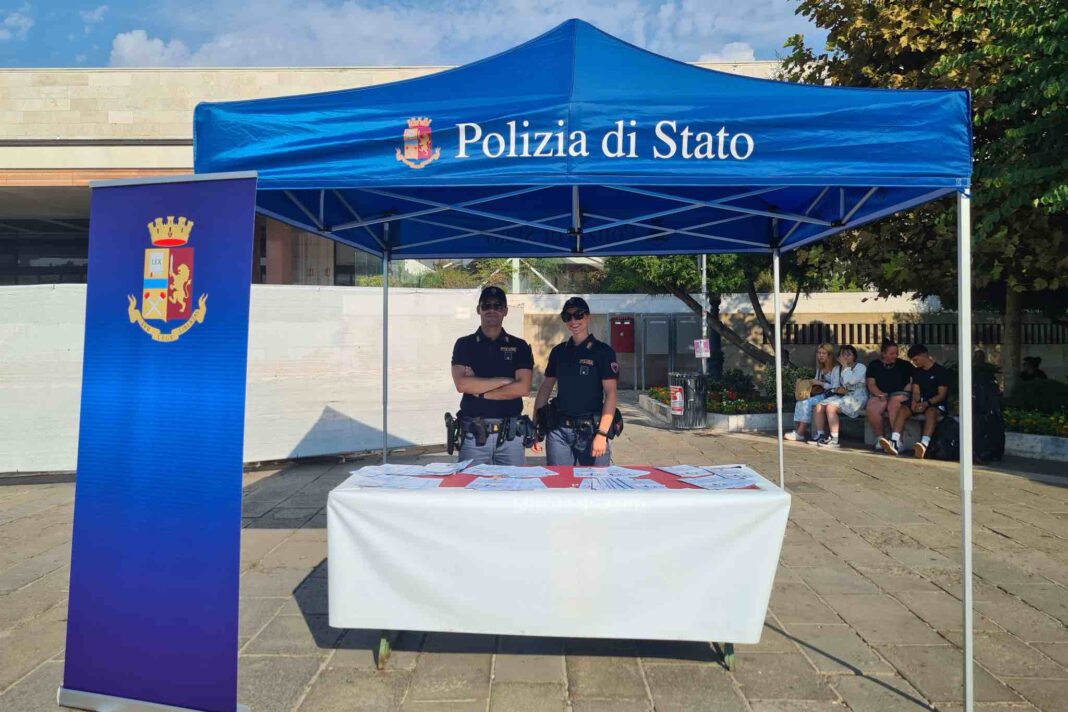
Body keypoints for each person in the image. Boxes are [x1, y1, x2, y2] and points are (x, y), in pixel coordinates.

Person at [450, 286, 534, 465]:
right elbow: (462, 385)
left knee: (514, 489)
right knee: (472, 489)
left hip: (511, 437)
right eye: (486, 305)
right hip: (474, 436)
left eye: (497, 305)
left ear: (505, 311)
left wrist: (481, 391)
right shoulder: (464, 344)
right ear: (478, 309)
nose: (492, 310)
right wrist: (504, 381)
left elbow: (523, 388)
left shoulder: (519, 346)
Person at [532, 297, 619, 466]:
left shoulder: (603, 352)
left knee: (596, 485)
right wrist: (535, 426)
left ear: (588, 317)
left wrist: (602, 434)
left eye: (578, 315)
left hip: (592, 431)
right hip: (559, 432)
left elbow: (611, 393)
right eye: (568, 317)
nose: (573, 321)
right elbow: (545, 388)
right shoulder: (559, 352)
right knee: (559, 485)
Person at [880, 344, 950, 459]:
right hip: (920, 402)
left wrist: (927, 403)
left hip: (935, 403)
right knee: (903, 409)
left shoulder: (940, 371)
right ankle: (894, 442)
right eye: (912, 360)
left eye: (916, 360)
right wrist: (914, 402)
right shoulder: (917, 371)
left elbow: (941, 394)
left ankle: (923, 445)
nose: (914, 363)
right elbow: (916, 390)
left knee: (931, 413)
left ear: (924, 355)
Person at [810, 345, 867, 448]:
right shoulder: (837, 368)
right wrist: (838, 389)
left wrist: (845, 367)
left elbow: (851, 381)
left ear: (854, 356)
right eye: (842, 355)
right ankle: (820, 435)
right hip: (843, 396)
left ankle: (834, 439)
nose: (845, 357)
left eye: (848, 355)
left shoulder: (860, 367)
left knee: (831, 407)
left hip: (857, 397)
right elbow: (835, 385)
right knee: (818, 406)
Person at [785, 342, 840, 442]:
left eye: (823, 353)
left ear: (829, 355)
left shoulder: (836, 368)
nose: (820, 355)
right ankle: (798, 431)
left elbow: (835, 387)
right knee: (800, 402)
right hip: (821, 394)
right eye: (819, 353)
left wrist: (821, 383)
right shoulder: (820, 368)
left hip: (832, 395)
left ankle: (800, 433)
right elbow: (816, 381)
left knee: (807, 402)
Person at [865, 338, 913, 452]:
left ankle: (897, 441)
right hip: (881, 394)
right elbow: (871, 384)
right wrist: (879, 394)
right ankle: (880, 439)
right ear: (883, 353)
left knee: (894, 404)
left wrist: (909, 387)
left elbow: (916, 379)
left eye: (896, 353)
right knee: (872, 406)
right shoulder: (874, 365)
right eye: (891, 354)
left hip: (900, 395)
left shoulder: (905, 365)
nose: (895, 356)